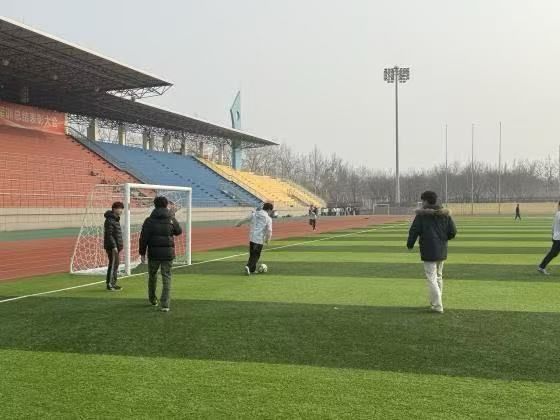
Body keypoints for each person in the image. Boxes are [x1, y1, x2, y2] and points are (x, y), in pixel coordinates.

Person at [407, 191, 457, 313]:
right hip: (441, 248)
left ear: (425, 201)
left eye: (422, 200)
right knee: (438, 276)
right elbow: (453, 232)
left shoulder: (421, 216)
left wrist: (410, 244)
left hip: (428, 249)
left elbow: (414, 231)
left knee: (431, 278)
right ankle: (437, 302)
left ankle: (437, 305)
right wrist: (443, 239)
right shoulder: (445, 215)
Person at [139, 196, 183, 312]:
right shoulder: (171, 218)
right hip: (168, 254)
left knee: (152, 276)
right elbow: (178, 231)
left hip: (153, 254)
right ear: (166, 205)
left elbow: (143, 238)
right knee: (166, 276)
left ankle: (152, 299)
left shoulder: (149, 220)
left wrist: (142, 253)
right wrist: (173, 216)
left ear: (154, 205)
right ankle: (165, 304)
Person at [236, 202, 274, 275]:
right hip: (259, 239)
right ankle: (248, 266)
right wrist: (267, 239)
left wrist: (238, 224)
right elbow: (269, 230)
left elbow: (246, 219)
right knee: (256, 255)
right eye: (271, 211)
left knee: (252, 254)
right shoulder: (268, 219)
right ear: (269, 210)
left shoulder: (254, 214)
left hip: (252, 238)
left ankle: (252, 270)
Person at [103, 201, 124, 291]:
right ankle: (110, 284)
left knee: (115, 264)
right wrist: (114, 246)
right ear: (114, 209)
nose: (121, 210)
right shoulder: (110, 220)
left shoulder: (115, 219)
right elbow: (109, 235)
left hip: (115, 247)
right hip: (112, 247)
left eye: (122, 209)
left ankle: (112, 283)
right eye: (120, 208)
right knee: (113, 264)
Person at [537, 201, 560, 275]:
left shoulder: (557, 213)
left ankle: (541, 266)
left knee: (553, 253)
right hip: (558, 238)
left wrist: (552, 235)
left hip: (556, 237)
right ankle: (541, 267)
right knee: (553, 253)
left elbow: (553, 225)